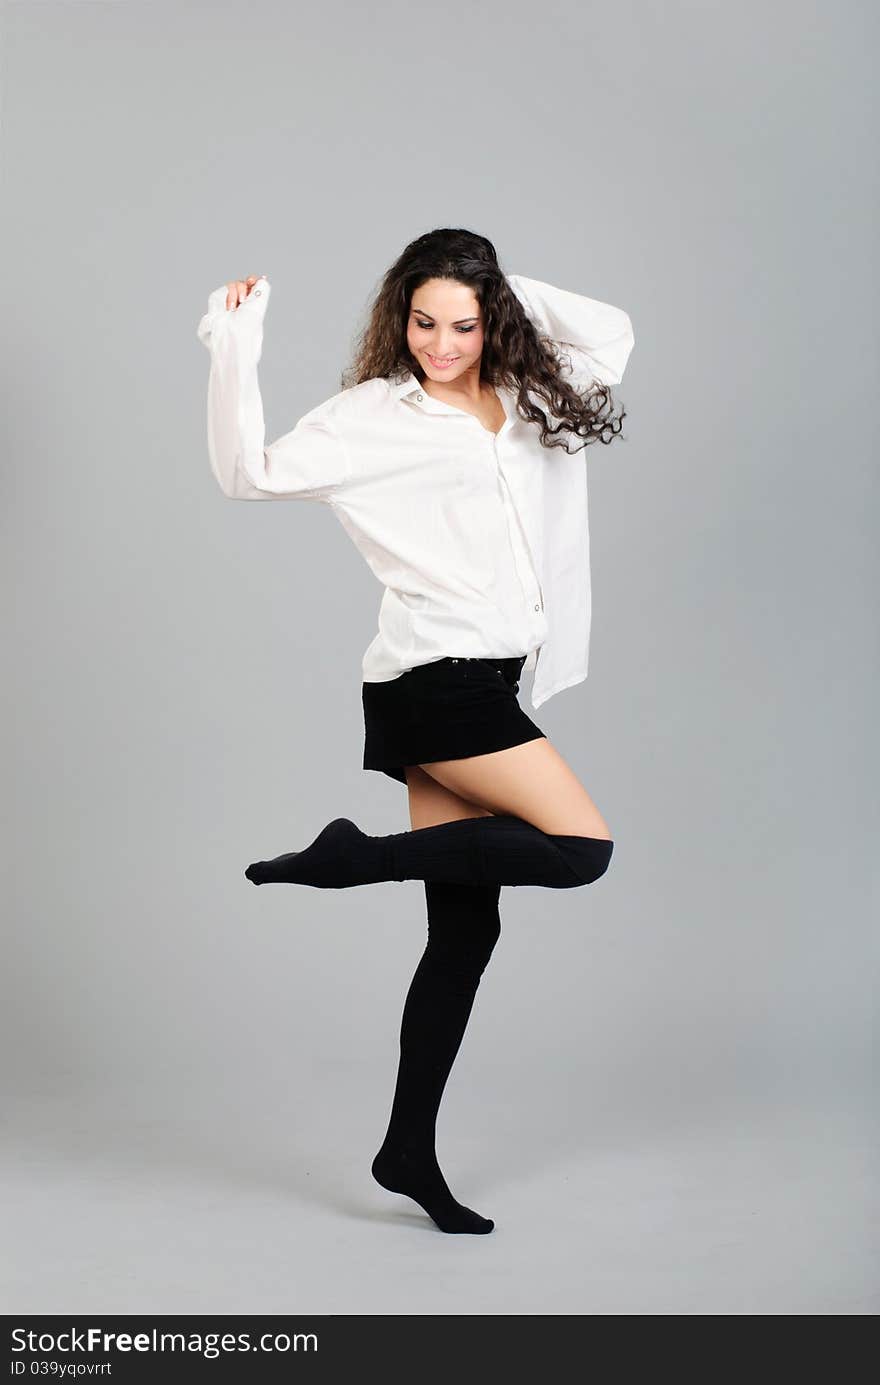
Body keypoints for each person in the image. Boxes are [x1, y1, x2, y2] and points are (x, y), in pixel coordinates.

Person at [196, 227, 635, 1236]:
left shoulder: (527, 403)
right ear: (401, 316)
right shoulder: (372, 417)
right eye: (423, 320)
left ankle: (407, 1150)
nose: (440, 344)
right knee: (581, 849)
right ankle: (356, 857)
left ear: (495, 321)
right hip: (436, 684)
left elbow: (612, 330)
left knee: (462, 934)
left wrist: (496, 281)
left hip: (478, 683)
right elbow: (245, 473)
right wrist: (233, 345)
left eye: (464, 324)